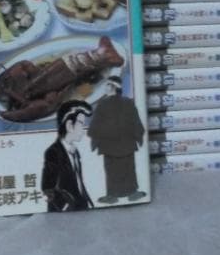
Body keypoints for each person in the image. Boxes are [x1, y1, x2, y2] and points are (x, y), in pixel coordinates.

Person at [87, 75, 146, 203]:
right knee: (128, 168)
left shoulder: (102, 104)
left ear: (113, 87)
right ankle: (133, 193)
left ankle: (112, 196)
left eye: (107, 84)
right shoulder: (128, 102)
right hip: (127, 144)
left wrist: (95, 139)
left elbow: (95, 126)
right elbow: (136, 122)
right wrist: (139, 136)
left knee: (112, 170)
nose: (105, 87)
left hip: (109, 145)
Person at [41, 100, 94, 212]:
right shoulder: (53, 152)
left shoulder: (75, 152)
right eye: (81, 124)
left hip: (81, 210)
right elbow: (47, 188)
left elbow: (78, 183)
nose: (83, 130)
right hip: (63, 214)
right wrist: (65, 207)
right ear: (69, 125)